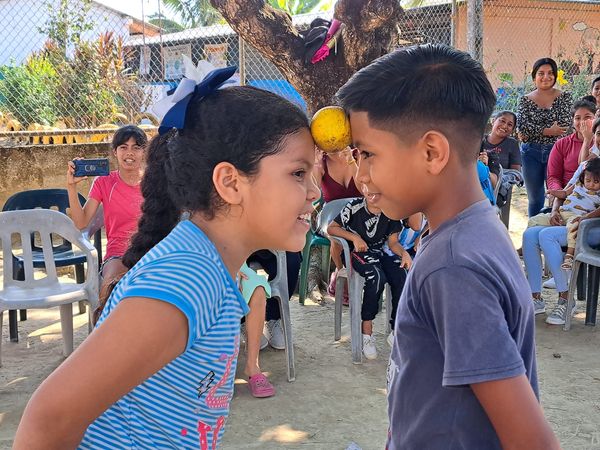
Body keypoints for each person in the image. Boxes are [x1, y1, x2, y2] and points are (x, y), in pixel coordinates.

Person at [14, 71, 320, 449]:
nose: (314, 191)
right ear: (230, 182)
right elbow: (48, 417)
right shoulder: (186, 280)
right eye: (299, 173)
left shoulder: (208, 269)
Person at [336, 44, 559, 448]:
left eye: (367, 154)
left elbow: (532, 441)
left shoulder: (453, 267)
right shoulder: (474, 227)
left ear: (432, 152)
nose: (360, 174)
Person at [327, 194, 411, 358]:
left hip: (381, 253)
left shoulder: (390, 210)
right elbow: (332, 228)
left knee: (402, 274)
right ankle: (367, 331)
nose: (373, 194)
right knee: (376, 277)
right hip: (357, 253)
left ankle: (396, 329)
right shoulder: (355, 206)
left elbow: (393, 243)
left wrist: (404, 253)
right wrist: (354, 237)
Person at [66, 125, 148, 293]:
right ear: (115, 152)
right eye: (123, 147)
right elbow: (81, 223)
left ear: (144, 152)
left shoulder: (154, 181)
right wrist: (71, 186)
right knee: (110, 286)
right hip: (118, 253)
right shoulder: (103, 182)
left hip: (151, 251)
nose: (129, 153)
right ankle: (102, 311)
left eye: (136, 147)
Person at [517, 57, 573, 217]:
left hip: (557, 152)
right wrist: (549, 130)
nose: (546, 77)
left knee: (555, 196)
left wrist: (534, 131)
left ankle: (552, 227)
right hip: (530, 153)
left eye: (550, 73)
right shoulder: (525, 100)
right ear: (534, 76)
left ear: (555, 76)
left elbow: (564, 126)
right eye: (541, 73)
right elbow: (522, 128)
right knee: (535, 199)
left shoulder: (565, 97)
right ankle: (533, 228)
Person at [531, 158, 600, 269]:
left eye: (596, 182)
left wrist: (586, 217)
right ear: (583, 177)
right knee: (534, 220)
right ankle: (535, 252)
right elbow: (564, 193)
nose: (591, 184)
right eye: (588, 180)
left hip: (577, 216)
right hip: (562, 213)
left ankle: (569, 256)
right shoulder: (578, 184)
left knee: (574, 228)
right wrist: (553, 192)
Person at [313, 147, 363, 297]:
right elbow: (314, 194)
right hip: (331, 216)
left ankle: (351, 275)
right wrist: (316, 165)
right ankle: (341, 272)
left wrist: (351, 161)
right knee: (336, 235)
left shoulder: (357, 155)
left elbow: (364, 189)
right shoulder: (322, 161)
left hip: (358, 215)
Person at [238, 262, 275, 398]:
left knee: (257, 290)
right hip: (199, 264)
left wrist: (234, 266)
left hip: (236, 264)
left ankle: (253, 366)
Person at [546, 99, 596, 192]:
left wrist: (587, 139)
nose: (582, 121)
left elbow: (584, 166)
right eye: (577, 118)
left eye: (587, 117)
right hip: (567, 193)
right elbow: (553, 177)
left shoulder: (598, 143)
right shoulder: (561, 144)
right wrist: (558, 192)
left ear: (596, 119)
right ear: (573, 121)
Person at [481, 110, 521, 187]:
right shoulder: (479, 140)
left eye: (509, 124)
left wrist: (499, 179)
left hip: (500, 188)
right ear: (493, 121)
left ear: (512, 130)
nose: (505, 126)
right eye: (502, 121)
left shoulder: (512, 144)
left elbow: (517, 174)